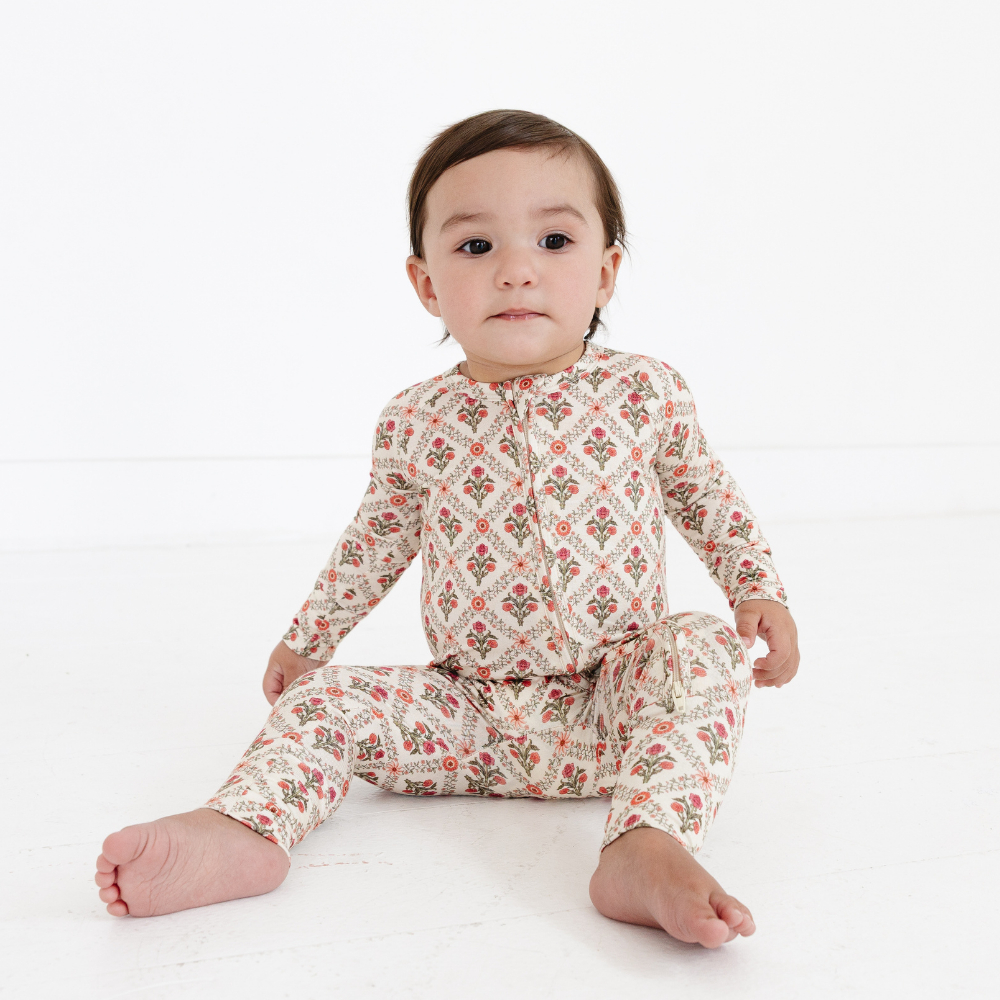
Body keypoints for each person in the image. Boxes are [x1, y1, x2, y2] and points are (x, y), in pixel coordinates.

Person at [94, 109, 800, 948]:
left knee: (701, 648)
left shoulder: (644, 393)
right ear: (426, 283)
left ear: (607, 272)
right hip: (468, 716)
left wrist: (756, 587)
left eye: (554, 243)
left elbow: (706, 495)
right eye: (475, 248)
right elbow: (373, 544)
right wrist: (307, 642)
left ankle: (646, 839)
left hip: (617, 707)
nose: (515, 274)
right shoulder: (417, 422)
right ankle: (244, 830)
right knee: (325, 703)